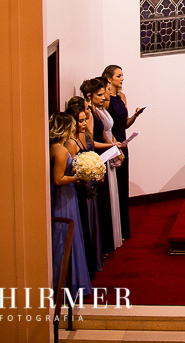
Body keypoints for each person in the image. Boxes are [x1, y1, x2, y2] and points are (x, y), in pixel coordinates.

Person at [49, 112, 92, 299]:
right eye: (73, 125)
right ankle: (63, 285)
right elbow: (58, 179)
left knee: (69, 236)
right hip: (62, 197)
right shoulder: (59, 149)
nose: (75, 128)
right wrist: (78, 177)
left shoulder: (58, 147)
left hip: (68, 194)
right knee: (62, 237)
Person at [102, 65, 146, 241]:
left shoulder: (122, 96)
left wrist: (135, 115)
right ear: (109, 79)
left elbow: (124, 124)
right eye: (119, 76)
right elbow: (107, 126)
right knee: (114, 186)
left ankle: (123, 229)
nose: (122, 78)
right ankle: (113, 231)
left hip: (123, 143)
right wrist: (114, 145)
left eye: (122, 75)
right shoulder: (106, 99)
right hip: (113, 145)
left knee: (122, 185)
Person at [82, 77, 124, 252]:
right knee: (104, 199)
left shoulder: (98, 110)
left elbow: (105, 135)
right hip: (99, 157)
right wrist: (112, 146)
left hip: (107, 152)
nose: (103, 97)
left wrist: (114, 146)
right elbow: (92, 141)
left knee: (111, 196)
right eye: (100, 94)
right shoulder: (90, 113)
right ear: (89, 95)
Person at [65, 97, 103, 277]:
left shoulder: (79, 138)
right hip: (77, 189)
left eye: (83, 120)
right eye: (80, 121)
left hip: (84, 187)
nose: (83, 123)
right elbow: (71, 168)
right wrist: (82, 176)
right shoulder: (70, 143)